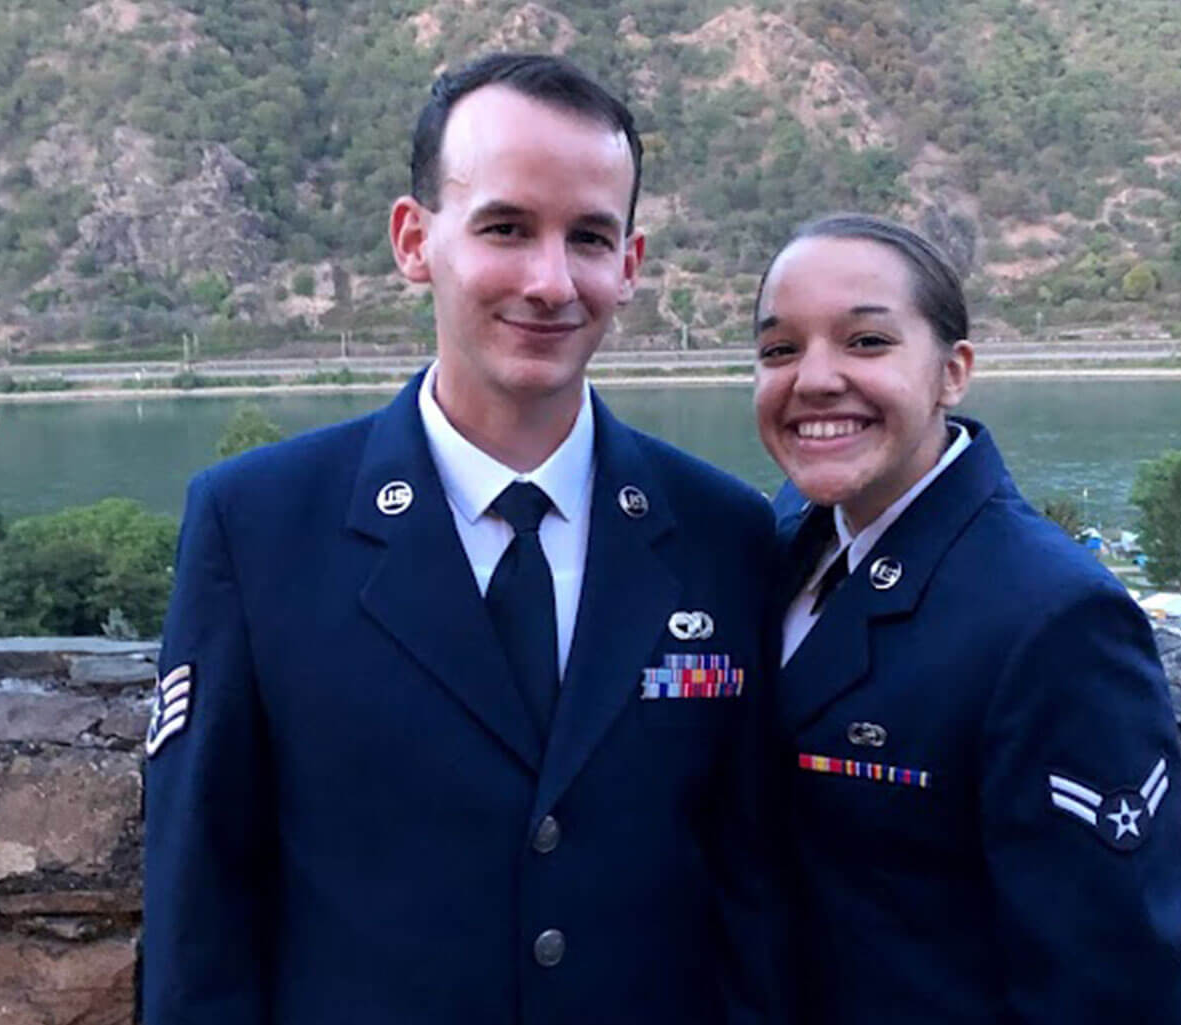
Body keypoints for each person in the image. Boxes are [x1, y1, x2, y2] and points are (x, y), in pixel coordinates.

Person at [143, 53, 779, 1025]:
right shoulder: (259, 523)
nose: (550, 280)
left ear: (631, 265)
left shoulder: (724, 532)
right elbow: (202, 909)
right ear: (414, 239)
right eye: (507, 228)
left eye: (590, 238)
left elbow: (753, 892)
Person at [753, 213, 1181, 1023]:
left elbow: (1108, 986)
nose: (812, 378)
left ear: (953, 372)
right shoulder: (774, 540)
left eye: (866, 342)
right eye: (780, 349)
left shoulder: (1057, 618)